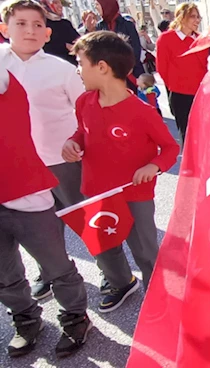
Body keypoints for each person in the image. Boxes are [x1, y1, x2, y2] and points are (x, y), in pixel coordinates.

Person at [62, 30, 179, 313]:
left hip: (135, 194)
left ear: (102, 67)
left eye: (81, 63)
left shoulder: (142, 112)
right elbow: (82, 131)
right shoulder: (84, 102)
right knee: (103, 246)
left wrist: (153, 166)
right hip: (95, 191)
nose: (77, 70)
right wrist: (73, 142)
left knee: (145, 250)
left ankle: (157, 294)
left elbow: (170, 149)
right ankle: (120, 282)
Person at [0, 0, 90, 358]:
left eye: (37, 24)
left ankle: (76, 316)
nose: (29, 31)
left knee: (57, 253)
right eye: (21, 23)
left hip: (46, 171)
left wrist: (76, 140)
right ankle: (26, 319)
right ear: (6, 27)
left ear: (47, 31)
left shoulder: (59, 68)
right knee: (6, 269)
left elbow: (85, 112)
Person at [155, 2, 208, 143]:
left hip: (202, 95)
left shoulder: (201, 39)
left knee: (204, 137)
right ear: (181, 17)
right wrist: (177, 84)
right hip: (181, 96)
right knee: (188, 137)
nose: (197, 20)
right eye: (193, 16)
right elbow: (162, 69)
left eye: (198, 17)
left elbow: (206, 67)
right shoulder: (166, 39)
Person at [95, 0, 143, 80]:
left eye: (97, 4)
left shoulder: (127, 24)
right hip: (111, 74)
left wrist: (130, 66)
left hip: (131, 72)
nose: (96, 8)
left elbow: (136, 47)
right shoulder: (100, 26)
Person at [40, 0, 79, 65]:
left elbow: (78, 41)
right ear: (46, 4)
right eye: (55, 3)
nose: (60, 6)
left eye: (60, 3)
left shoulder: (66, 23)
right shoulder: (42, 25)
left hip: (73, 67)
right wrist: (64, 46)